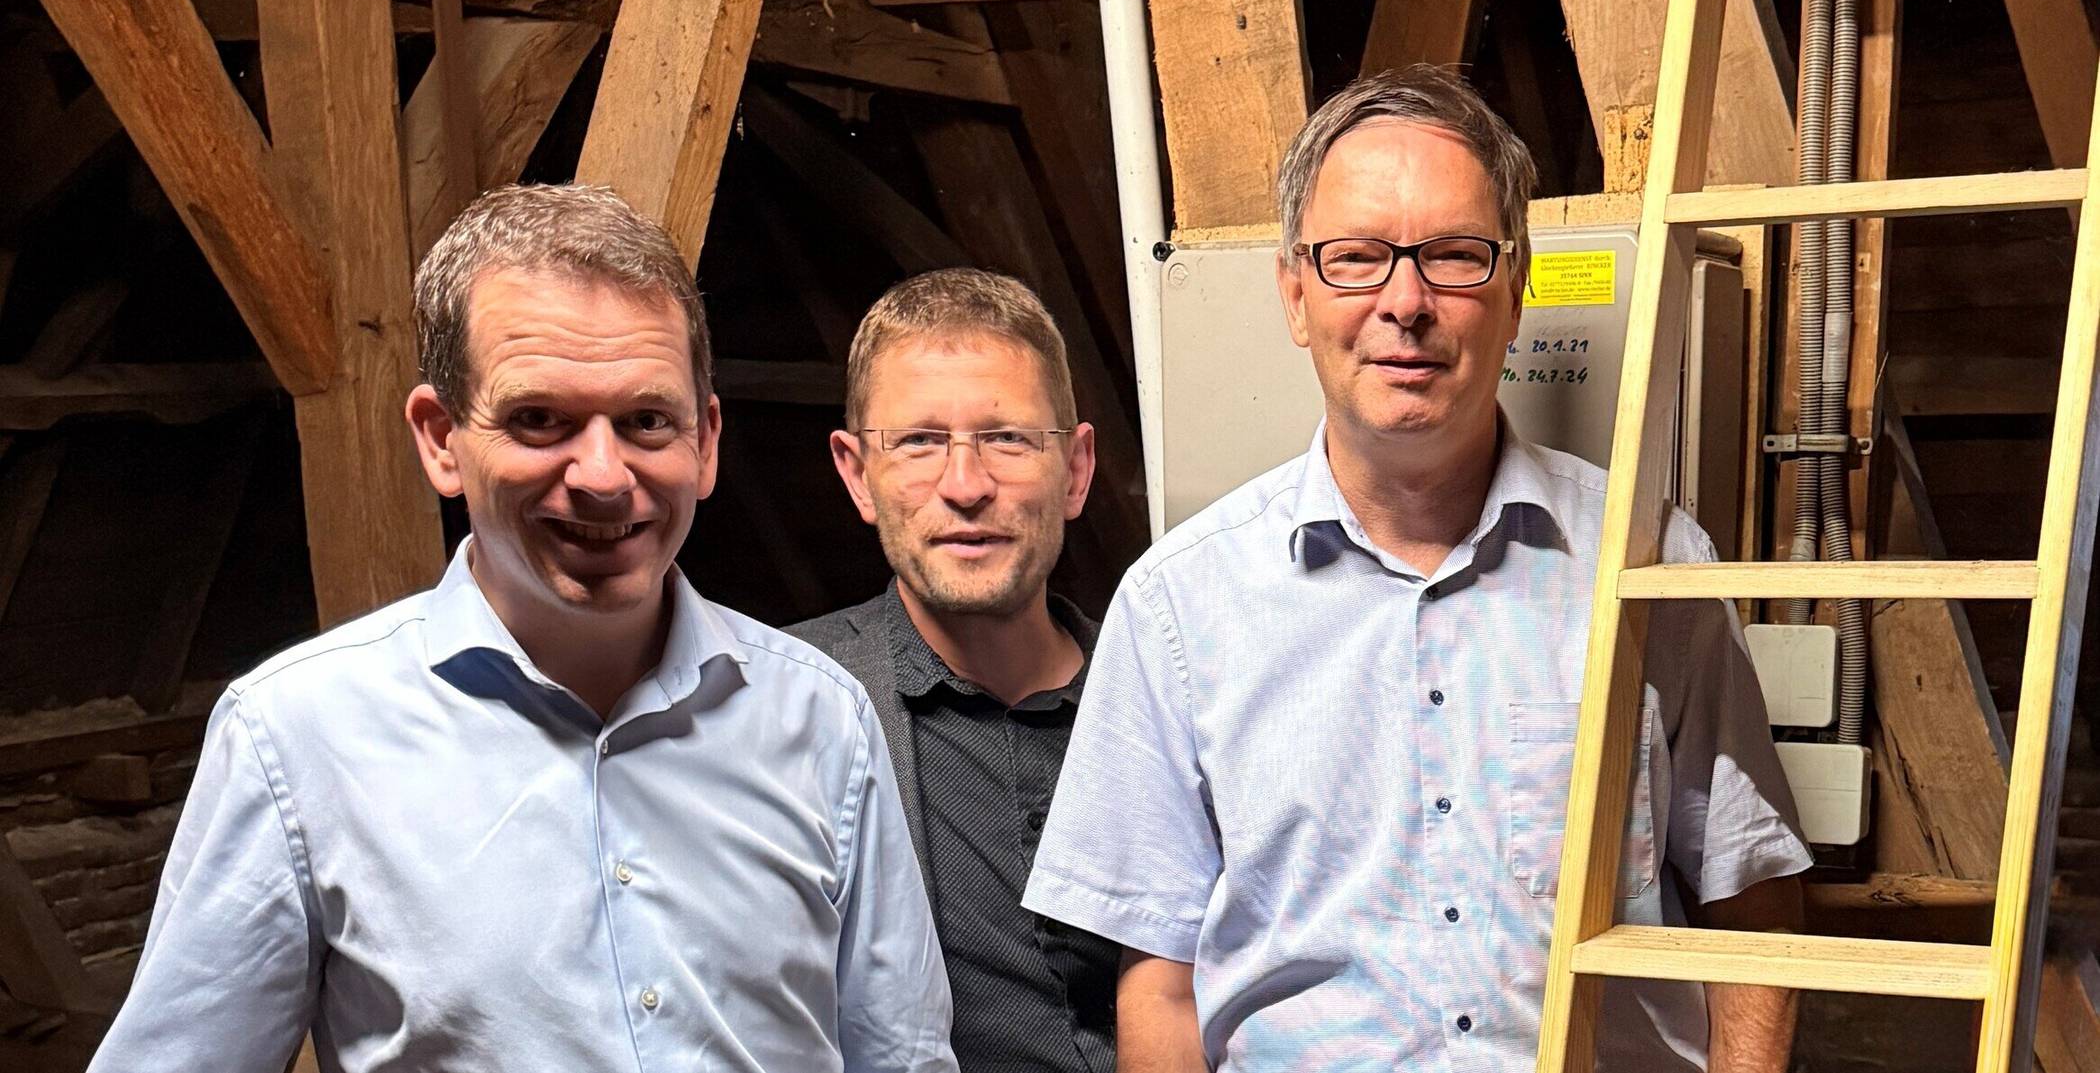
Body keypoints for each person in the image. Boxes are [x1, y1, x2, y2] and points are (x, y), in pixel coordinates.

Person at [1024, 67, 1810, 1071]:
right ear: (1295, 295)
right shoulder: (1178, 604)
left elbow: (1752, 901)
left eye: (1454, 256)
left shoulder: (1649, 561)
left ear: (1517, 287)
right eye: (1356, 258)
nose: (1406, 301)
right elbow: (1164, 982)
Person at [90, 184, 956, 1073]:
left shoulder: (820, 719)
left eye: (646, 420)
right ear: (439, 438)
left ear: (707, 440)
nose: (604, 475)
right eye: (540, 419)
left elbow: (906, 1058)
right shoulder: (299, 737)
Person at [792, 269, 1121, 1072]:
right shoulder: (779, 708)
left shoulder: (1170, 692)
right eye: (919, 441)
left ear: (1075, 469)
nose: (965, 485)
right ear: (854, 473)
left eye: (1008, 438)